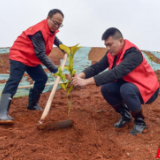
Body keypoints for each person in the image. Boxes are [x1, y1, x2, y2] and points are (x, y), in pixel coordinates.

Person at [71, 27, 159, 135]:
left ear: (121, 41)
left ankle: (140, 121)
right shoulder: (111, 54)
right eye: (106, 45)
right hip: (130, 84)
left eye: (110, 44)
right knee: (106, 88)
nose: (108, 48)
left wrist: (86, 82)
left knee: (126, 89)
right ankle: (125, 115)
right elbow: (97, 67)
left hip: (148, 89)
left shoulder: (133, 54)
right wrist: (80, 76)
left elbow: (116, 73)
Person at [0, 9, 65, 124]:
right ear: (48, 18)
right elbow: (41, 54)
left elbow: (54, 39)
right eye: (55, 23)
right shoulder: (38, 31)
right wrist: (54, 69)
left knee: (42, 78)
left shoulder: (51, 30)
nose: (57, 26)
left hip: (31, 58)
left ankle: (32, 105)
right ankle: (2, 113)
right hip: (19, 55)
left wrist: (64, 48)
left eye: (60, 24)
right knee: (14, 80)